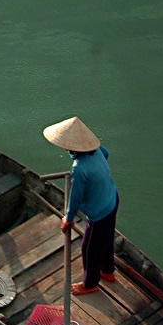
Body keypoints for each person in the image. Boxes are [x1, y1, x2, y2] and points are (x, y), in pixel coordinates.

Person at [43, 116, 119, 296]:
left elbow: (75, 198)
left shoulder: (79, 168)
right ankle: (108, 271)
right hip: (112, 199)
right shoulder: (97, 150)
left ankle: (90, 284)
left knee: (89, 248)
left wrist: (68, 219)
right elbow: (106, 154)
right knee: (106, 238)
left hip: (99, 213)